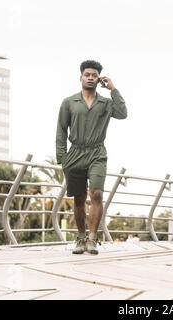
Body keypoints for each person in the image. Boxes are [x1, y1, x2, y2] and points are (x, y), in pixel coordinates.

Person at [56, 60, 127, 254]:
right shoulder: (69, 102)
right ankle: (80, 238)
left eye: (94, 76)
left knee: (96, 194)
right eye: (87, 75)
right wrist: (62, 158)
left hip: (97, 154)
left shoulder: (105, 103)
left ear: (98, 79)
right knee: (78, 199)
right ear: (81, 77)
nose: (90, 78)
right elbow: (61, 130)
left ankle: (93, 239)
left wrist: (113, 89)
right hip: (75, 154)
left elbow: (122, 113)